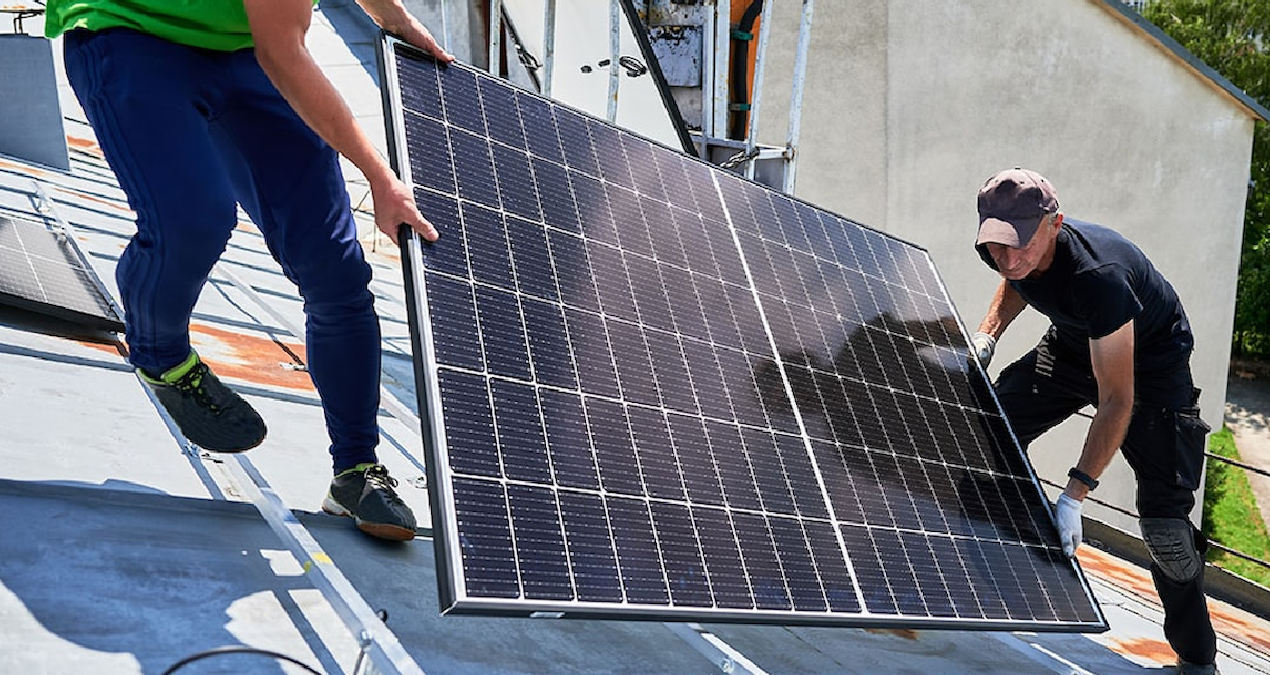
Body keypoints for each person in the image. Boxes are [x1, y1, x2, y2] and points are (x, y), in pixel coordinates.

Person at [44, 0, 453, 541]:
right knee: (193, 220)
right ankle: (161, 356)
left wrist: (392, 17)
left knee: (336, 270)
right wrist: (381, 177)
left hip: (246, 53)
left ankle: (356, 469)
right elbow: (284, 53)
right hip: (134, 30)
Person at [969, 168, 1218, 674]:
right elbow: (1018, 279)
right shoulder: (1020, 252)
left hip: (1150, 371)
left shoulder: (1100, 275)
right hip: (1073, 345)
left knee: (1166, 530)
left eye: (1021, 244)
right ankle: (1008, 573)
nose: (1009, 259)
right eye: (998, 245)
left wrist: (1074, 495)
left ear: (1055, 225)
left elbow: (1117, 401)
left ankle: (1197, 658)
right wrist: (987, 335)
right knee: (985, 431)